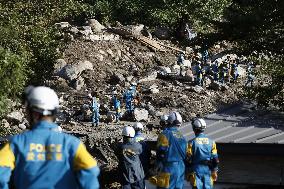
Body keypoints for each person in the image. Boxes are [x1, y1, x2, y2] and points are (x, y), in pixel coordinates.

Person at [0, 86, 100, 189]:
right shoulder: (72, 144)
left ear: (32, 113)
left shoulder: (16, 143)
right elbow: (90, 170)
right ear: (55, 112)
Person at [150, 111, 187, 189]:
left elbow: (161, 151)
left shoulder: (165, 134)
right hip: (181, 168)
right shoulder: (182, 136)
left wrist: (157, 166)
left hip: (168, 167)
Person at [186, 117, 219, 189]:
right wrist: (214, 170)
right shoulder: (212, 142)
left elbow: (188, 159)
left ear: (194, 128)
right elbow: (216, 160)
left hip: (196, 172)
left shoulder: (191, 143)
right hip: (208, 173)